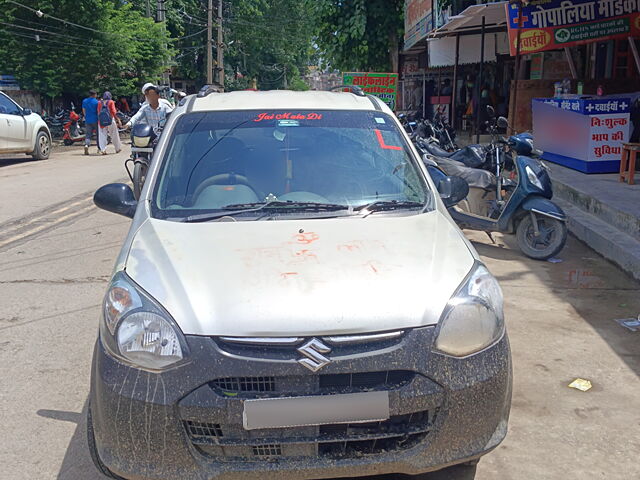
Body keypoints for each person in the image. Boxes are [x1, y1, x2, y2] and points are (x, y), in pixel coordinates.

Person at [82, 89, 100, 155]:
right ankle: (99, 148)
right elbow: (98, 111)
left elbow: (83, 110)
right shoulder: (97, 102)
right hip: (95, 120)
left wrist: (86, 116)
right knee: (98, 135)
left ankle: (86, 145)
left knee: (88, 135)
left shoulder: (85, 101)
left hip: (88, 120)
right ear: (95, 95)